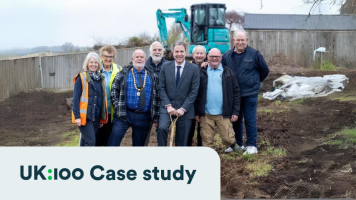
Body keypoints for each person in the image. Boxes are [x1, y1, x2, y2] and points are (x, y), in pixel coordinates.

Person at [222, 30, 269, 154]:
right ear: (233, 41)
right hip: (233, 95)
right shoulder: (227, 56)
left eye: (242, 40)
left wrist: (255, 82)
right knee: (235, 120)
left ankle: (252, 145)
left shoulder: (254, 54)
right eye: (238, 40)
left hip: (249, 93)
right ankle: (237, 144)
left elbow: (265, 70)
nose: (240, 42)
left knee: (250, 119)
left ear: (247, 40)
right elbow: (219, 68)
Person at [108, 49, 160, 146]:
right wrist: (117, 107)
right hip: (124, 114)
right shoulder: (123, 73)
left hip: (144, 116)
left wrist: (156, 116)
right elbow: (114, 90)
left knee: (139, 145)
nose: (139, 59)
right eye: (137, 57)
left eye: (141, 57)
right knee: (114, 140)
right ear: (132, 59)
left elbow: (157, 96)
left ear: (145, 59)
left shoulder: (152, 75)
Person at [195, 48, 242, 151]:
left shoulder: (228, 72)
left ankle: (234, 145)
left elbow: (236, 92)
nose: (214, 58)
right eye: (212, 56)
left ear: (221, 58)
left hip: (223, 112)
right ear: (207, 57)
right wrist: (196, 112)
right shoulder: (201, 72)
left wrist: (235, 111)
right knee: (207, 141)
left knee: (228, 138)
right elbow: (195, 93)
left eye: (217, 56)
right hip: (206, 113)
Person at [157, 41, 200, 146]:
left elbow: (194, 91)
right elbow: (161, 87)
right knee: (162, 128)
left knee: (182, 140)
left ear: (185, 53)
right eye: (177, 51)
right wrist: (168, 106)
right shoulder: (165, 67)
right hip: (167, 106)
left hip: (185, 108)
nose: (179, 54)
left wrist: (183, 108)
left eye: (181, 51)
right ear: (173, 52)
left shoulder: (194, 69)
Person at [72, 52, 108, 146]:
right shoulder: (81, 78)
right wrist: (77, 117)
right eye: (91, 62)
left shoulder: (101, 79)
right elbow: (75, 99)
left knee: (86, 142)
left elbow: (101, 100)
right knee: (91, 142)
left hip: (96, 117)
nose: (93, 64)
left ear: (98, 64)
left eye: (95, 62)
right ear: (87, 64)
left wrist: (101, 118)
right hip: (85, 118)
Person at [96, 45, 122, 146]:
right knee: (99, 139)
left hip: (113, 111)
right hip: (100, 111)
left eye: (110, 56)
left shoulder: (119, 69)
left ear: (113, 58)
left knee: (111, 139)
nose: (108, 59)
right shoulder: (96, 69)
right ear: (101, 57)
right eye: (106, 56)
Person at [188, 45, 208, 146]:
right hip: (190, 104)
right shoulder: (188, 67)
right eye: (197, 53)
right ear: (193, 55)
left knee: (202, 131)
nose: (199, 55)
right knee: (189, 131)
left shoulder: (208, 67)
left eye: (201, 53)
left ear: (205, 55)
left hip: (203, 104)